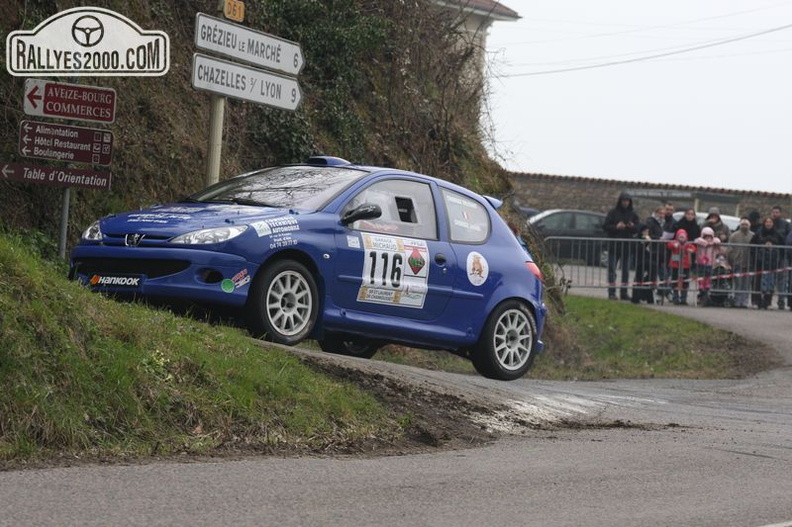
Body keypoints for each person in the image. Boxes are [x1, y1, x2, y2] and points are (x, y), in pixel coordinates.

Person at [603, 191, 639, 300]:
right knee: (612, 270)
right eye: (624, 200)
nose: (625, 203)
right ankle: (612, 293)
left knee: (626, 271)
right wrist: (616, 227)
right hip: (614, 246)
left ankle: (624, 292)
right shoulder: (613, 213)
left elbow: (638, 229)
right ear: (620, 201)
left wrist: (632, 226)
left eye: (627, 201)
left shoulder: (633, 214)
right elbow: (605, 226)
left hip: (627, 246)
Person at [751, 216, 785, 309]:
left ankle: (767, 301)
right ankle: (757, 301)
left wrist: (773, 246)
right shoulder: (759, 233)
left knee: (770, 283)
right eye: (767, 222)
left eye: (770, 222)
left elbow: (782, 245)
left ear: (773, 224)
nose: (768, 224)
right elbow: (753, 244)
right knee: (758, 282)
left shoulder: (777, 234)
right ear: (764, 223)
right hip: (760, 261)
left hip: (772, 262)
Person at [727, 217, 755, 308]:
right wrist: (732, 259)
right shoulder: (734, 235)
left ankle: (744, 302)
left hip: (749, 263)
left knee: (746, 284)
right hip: (737, 263)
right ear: (739, 225)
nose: (744, 226)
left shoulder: (753, 235)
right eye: (743, 224)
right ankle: (737, 301)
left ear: (749, 226)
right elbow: (730, 249)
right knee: (738, 283)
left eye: (746, 224)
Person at [693, 227, 721, 306]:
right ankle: (701, 287)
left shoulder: (714, 244)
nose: (708, 239)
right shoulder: (700, 243)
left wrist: (712, 242)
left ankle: (707, 286)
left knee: (708, 276)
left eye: (710, 237)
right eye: (706, 237)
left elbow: (718, 242)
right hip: (700, 263)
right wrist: (705, 242)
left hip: (710, 263)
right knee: (701, 276)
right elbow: (697, 240)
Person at [667, 229, 696, 305]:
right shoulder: (674, 243)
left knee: (685, 282)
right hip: (675, 265)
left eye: (683, 237)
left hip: (685, 266)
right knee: (675, 282)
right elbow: (669, 245)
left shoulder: (688, 244)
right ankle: (675, 298)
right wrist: (674, 245)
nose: (682, 239)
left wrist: (691, 250)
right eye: (680, 237)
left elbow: (693, 248)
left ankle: (683, 299)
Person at [770, 206, 791, 309]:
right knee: (769, 278)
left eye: (776, 212)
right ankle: (767, 301)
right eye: (773, 212)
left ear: (780, 213)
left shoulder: (786, 225)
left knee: (782, 279)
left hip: (782, 255)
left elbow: (787, 239)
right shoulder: (768, 223)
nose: (775, 214)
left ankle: (781, 300)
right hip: (770, 256)